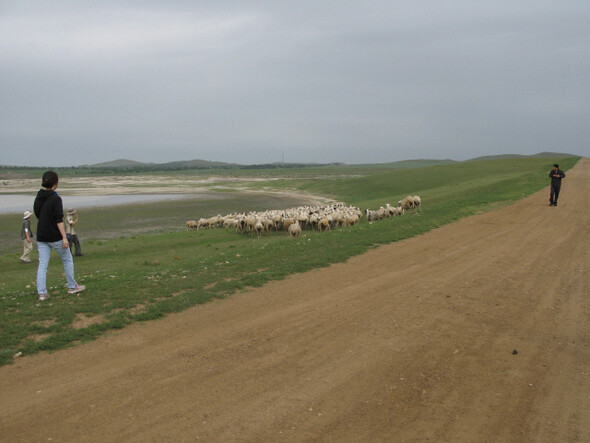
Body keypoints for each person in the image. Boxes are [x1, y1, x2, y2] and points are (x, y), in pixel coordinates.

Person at [34, 171, 85, 301]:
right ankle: (72, 286)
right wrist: (64, 237)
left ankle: (42, 293)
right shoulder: (56, 199)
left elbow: (38, 213)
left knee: (43, 265)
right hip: (54, 235)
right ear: (56, 183)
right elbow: (58, 219)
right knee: (67, 258)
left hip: (41, 234)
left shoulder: (39, 197)